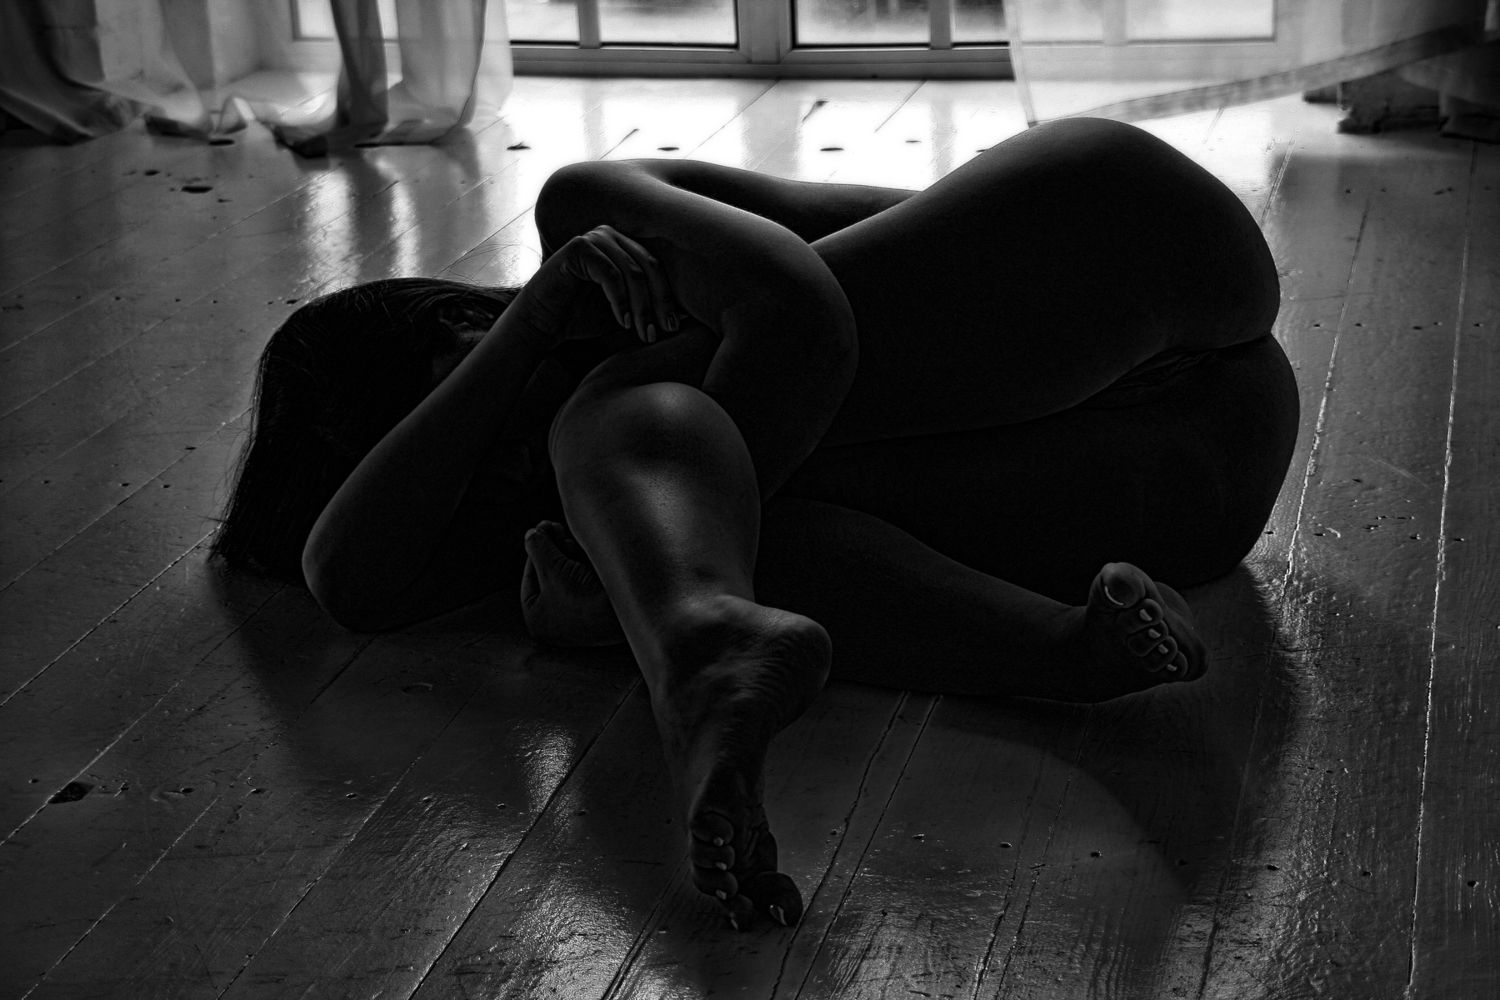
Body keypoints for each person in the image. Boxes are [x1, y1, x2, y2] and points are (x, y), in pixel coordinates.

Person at [213, 117, 1299, 931]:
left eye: (458, 405)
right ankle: (1062, 652)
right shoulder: (617, 493)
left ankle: (699, 643)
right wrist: (664, 549)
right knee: (749, 539)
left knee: (631, 434)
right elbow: (349, 578)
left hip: (1124, 237)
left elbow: (800, 319)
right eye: (463, 471)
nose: (502, 459)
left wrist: (540, 325)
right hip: (1198, 474)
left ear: (458, 321)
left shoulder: (585, 217)